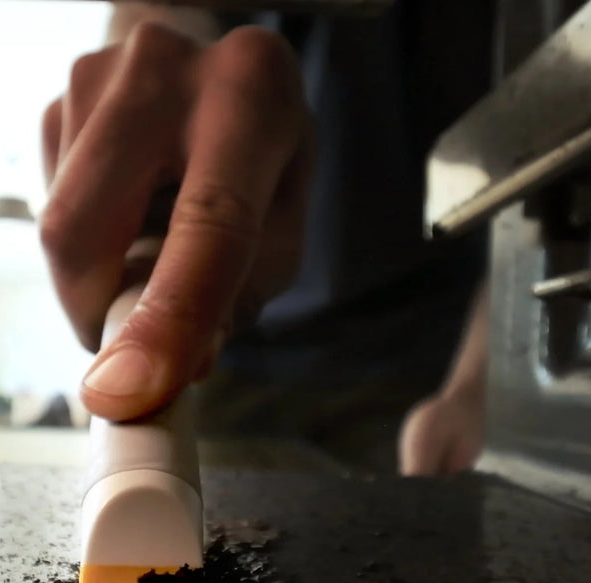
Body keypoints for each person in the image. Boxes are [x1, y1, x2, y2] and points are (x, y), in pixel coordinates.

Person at [39, 1, 491, 474]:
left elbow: (545, 150)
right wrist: (152, 78)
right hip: (222, 359)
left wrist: (485, 381)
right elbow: (162, 12)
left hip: (428, 363)